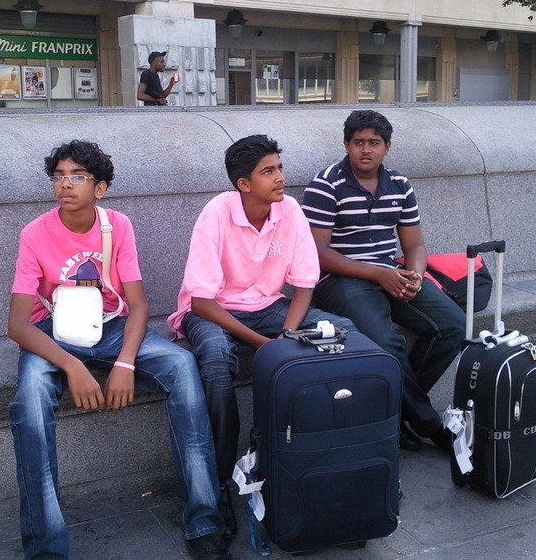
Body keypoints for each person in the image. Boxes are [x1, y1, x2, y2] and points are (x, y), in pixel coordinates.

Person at [8, 140, 231, 560]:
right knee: (30, 401)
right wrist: (74, 368)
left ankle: (205, 521)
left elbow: (140, 305)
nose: (65, 185)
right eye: (58, 176)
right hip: (52, 333)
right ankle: (46, 549)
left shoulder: (117, 226)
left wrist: (125, 363)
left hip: (111, 327)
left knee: (183, 364)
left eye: (78, 176)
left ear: (101, 188)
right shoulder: (34, 234)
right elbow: (19, 324)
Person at [168, 134, 359, 538]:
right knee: (218, 362)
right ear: (243, 184)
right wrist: (265, 346)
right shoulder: (216, 213)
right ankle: (220, 480)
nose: (280, 179)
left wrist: (289, 332)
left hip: (268, 307)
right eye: (268, 171)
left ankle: (326, 456)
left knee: (344, 333)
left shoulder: (288, 210)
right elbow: (201, 302)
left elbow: (304, 283)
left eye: (279, 168)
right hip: (212, 311)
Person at [302, 110, 464, 453]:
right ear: (346, 144)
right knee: (385, 341)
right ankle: (428, 423)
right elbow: (316, 253)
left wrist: (415, 276)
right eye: (358, 142)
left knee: (452, 325)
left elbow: (414, 244)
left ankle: (396, 413)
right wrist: (378, 273)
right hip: (341, 278)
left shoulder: (399, 184)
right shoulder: (326, 184)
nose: (365, 150)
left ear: (386, 147)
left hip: (392, 272)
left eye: (374, 143)